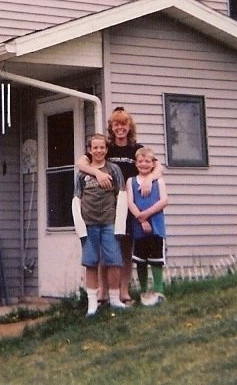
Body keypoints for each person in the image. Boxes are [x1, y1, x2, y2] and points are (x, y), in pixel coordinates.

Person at [75, 106, 163, 304]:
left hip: (129, 205)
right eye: (116, 124)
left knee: (124, 249)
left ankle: (123, 291)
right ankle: (102, 292)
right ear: (111, 127)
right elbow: (81, 163)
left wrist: (150, 179)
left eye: (124, 124)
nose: (120, 128)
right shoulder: (106, 148)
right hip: (106, 206)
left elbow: (158, 166)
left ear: (129, 126)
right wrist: (97, 173)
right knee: (103, 249)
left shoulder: (135, 149)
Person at [72, 133, 129, 315]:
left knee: (114, 261)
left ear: (106, 149)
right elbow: (76, 199)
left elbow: (122, 195)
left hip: (109, 223)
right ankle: (92, 303)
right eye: (95, 147)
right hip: (89, 224)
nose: (99, 151)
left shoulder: (114, 170)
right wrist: (80, 226)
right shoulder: (82, 174)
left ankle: (114, 299)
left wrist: (120, 224)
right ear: (90, 150)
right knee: (91, 263)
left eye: (102, 147)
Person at [127, 146, 169, 305]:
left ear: (153, 164)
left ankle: (159, 291)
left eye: (147, 161)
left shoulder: (159, 181)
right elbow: (130, 202)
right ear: (136, 163)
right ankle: (144, 291)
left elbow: (164, 201)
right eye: (140, 161)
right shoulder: (131, 181)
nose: (144, 164)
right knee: (141, 260)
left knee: (156, 259)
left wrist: (147, 214)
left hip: (156, 226)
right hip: (139, 227)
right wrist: (141, 219)